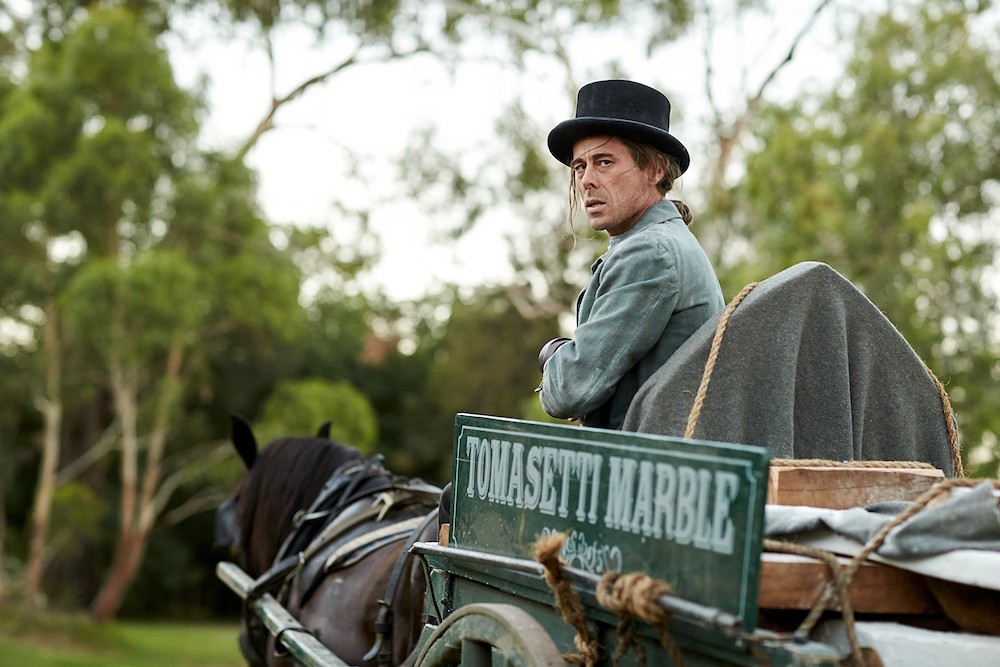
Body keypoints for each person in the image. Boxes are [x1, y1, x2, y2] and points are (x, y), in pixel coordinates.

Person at [537, 79, 725, 430]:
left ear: (654, 169)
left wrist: (555, 359)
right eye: (580, 166)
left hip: (647, 475)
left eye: (604, 162)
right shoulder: (659, 242)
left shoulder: (650, 252)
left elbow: (567, 393)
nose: (586, 181)